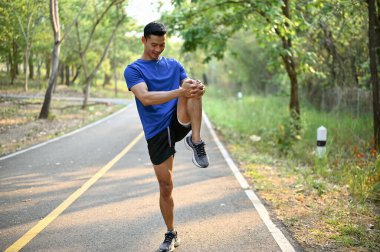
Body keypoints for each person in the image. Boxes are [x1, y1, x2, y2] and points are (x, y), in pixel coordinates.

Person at [123, 21, 209, 252]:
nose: (158, 49)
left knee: (192, 86)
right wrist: (180, 91)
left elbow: (186, 89)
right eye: (154, 44)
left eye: (162, 45)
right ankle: (171, 233)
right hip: (157, 131)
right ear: (143, 40)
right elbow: (146, 98)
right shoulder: (134, 70)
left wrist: (195, 88)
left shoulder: (174, 65)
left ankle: (197, 141)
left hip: (177, 120)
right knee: (165, 185)